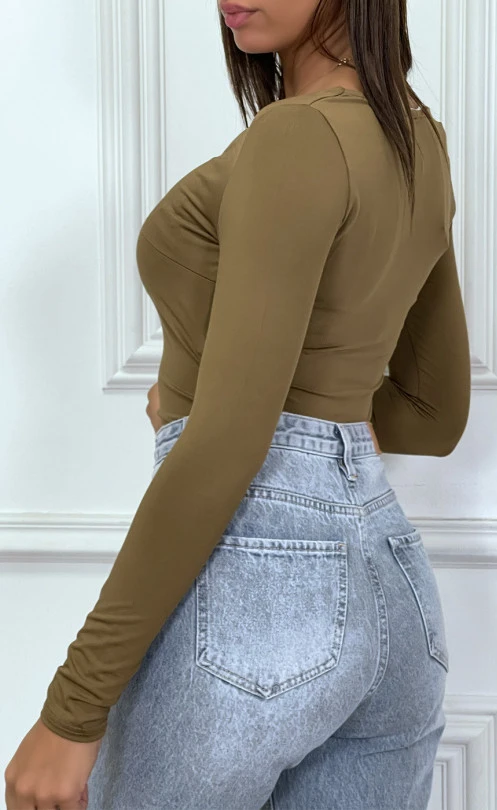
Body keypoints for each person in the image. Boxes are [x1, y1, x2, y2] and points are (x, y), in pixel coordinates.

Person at [4, 0, 471, 808]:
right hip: (394, 593)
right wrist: (289, 419)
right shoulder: (417, 139)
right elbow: (435, 413)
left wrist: (73, 709)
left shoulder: (296, 137)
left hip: (260, 585)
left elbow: (229, 445)